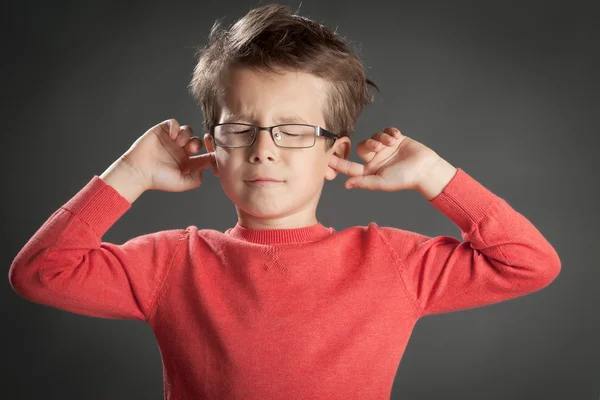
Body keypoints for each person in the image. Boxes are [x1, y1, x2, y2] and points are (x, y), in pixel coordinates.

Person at [8, 4, 561, 399]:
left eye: (294, 131)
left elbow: (529, 263)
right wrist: (127, 174)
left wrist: (438, 177)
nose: (263, 151)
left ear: (334, 153)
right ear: (213, 147)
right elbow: (39, 274)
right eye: (241, 129)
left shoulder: (392, 263)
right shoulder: (174, 263)